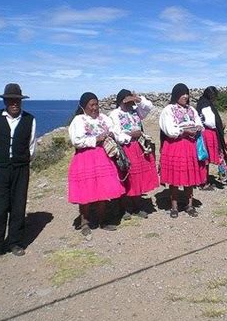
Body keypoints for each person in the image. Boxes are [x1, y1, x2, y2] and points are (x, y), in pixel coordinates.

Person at [0, 83, 37, 262]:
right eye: (11, 100)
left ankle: (15, 242)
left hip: (21, 168)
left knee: (18, 206)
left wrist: (21, 161)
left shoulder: (30, 119)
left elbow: (32, 146)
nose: (14, 103)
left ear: (21, 102)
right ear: (5, 101)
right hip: (0, 167)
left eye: (17, 100)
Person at [68, 92, 125, 237]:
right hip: (85, 158)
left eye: (96, 104)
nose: (95, 108)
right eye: (91, 105)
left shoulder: (104, 118)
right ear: (83, 106)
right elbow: (77, 140)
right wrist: (96, 139)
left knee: (103, 190)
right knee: (86, 190)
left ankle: (102, 220)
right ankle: (85, 221)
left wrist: (112, 135)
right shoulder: (78, 120)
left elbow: (115, 131)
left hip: (104, 158)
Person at [109, 89, 159, 219]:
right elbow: (115, 133)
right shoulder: (115, 114)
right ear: (122, 100)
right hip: (126, 148)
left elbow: (149, 107)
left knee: (138, 177)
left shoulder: (135, 111)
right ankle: (125, 208)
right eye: (128, 99)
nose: (131, 102)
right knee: (127, 176)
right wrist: (130, 135)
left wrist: (137, 99)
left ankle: (137, 206)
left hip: (138, 147)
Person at [159, 83, 206, 218]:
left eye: (187, 93)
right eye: (182, 93)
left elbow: (199, 123)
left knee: (190, 176)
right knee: (175, 177)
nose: (185, 96)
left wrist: (197, 128)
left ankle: (189, 205)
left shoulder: (191, 109)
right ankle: (174, 206)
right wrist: (184, 130)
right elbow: (169, 130)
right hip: (176, 146)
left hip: (190, 146)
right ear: (176, 95)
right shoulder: (169, 110)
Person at [196, 86, 227, 189]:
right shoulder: (206, 105)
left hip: (203, 133)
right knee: (205, 159)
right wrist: (219, 126)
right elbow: (210, 121)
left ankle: (204, 180)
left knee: (204, 158)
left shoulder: (201, 103)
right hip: (208, 134)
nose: (214, 98)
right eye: (214, 96)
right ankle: (203, 182)